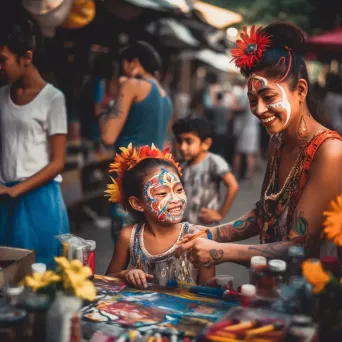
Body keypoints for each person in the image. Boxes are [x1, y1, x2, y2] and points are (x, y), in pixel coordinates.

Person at [177, 23, 342, 266]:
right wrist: (209, 233)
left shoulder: (330, 152)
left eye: (269, 97)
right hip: (269, 283)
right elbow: (265, 213)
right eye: (253, 100)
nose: (259, 110)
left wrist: (221, 252)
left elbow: (300, 246)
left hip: (312, 293)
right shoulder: (278, 141)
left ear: (301, 90)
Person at [0, 20, 69, 266]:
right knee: (7, 277)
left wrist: (15, 190)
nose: (0, 66)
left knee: (42, 273)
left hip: (40, 199)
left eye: (3, 59)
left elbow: (58, 162)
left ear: (26, 57)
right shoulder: (1, 96)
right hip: (5, 199)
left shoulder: (53, 99)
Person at [105, 144, 214, 288]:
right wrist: (125, 275)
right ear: (137, 203)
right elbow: (106, 281)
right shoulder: (128, 237)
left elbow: (209, 293)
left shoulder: (199, 238)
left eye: (179, 190)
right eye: (162, 193)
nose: (175, 199)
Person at [99, 41, 173, 240]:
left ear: (133, 62)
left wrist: (108, 106)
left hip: (131, 177)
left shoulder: (132, 85)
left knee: (125, 247)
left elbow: (107, 135)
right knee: (146, 243)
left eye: (124, 64)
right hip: (156, 177)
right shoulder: (164, 94)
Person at [172, 116, 239, 226]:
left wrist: (220, 214)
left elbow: (233, 185)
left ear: (206, 144)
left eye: (188, 141)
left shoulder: (213, 162)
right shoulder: (182, 165)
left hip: (205, 227)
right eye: (180, 141)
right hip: (185, 225)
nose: (183, 147)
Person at [232, 80, 260, 183]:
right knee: (250, 153)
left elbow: (240, 109)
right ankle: (249, 175)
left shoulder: (245, 94)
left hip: (244, 128)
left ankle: (236, 173)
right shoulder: (257, 95)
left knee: (238, 152)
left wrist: (233, 107)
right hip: (253, 128)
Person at [206, 92, 231, 158]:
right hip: (224, 130)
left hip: (216, 130)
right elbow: (228, 119)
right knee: (222, 148)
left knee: (215, 149)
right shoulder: (226, 108)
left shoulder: (214, 108)